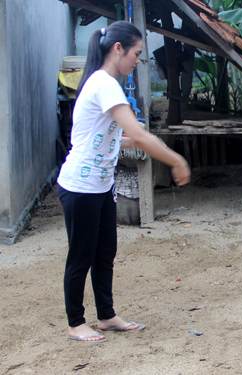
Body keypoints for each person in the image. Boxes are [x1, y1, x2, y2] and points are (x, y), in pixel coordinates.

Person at [57, 21, 190, 343]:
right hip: (80, 187)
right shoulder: (104, 83)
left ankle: (106, 316)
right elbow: (140, 137)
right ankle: (76, 323)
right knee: (81, 257)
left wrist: (143, 143)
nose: (138, 61)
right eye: (137, 54)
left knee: (105, 253)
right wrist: (176, 159)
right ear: (118, 49)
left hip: (101, 187)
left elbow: (119, 138)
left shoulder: (105, 83)